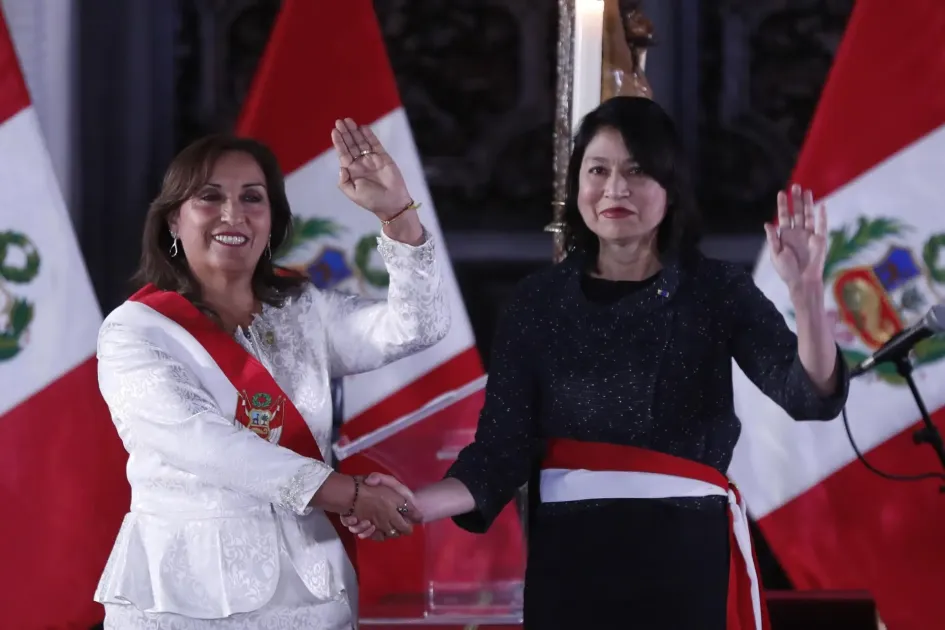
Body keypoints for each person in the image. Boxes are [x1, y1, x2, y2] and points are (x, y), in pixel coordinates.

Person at [344, 96, 850, 629]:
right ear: (576, 187)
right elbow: (499, 454)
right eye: (598, 170)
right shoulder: (537, 301)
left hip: (685, 558)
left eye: (637, 171)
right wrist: (410, 505)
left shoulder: (718, 290)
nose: (615, 189)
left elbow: (809, 393)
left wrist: (807, 289)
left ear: (671, 189)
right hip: (572, 561)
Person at [93, 119, 441, 629]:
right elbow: (208, 445)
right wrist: (351, 493)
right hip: (187, 598)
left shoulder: (304, 308)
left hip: (313, 592)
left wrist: (395, 212)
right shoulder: (137, 331)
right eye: (209, 197)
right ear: (172, 220)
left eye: (252, 198)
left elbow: (418, 326)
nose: (233, 213)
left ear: (272, 218)